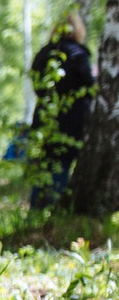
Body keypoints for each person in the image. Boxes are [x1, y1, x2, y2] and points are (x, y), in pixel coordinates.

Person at [29, 12, 95, 209]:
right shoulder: (79, 54)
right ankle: (52, 208)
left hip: (45, 119)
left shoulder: (44, 53)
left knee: (44, 164)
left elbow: (37, 85)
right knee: (62, 163)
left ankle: (37, 207)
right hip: (72, 121)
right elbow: (90, 86)